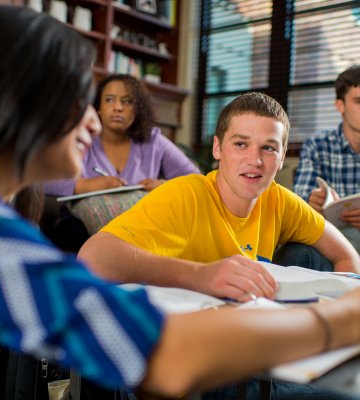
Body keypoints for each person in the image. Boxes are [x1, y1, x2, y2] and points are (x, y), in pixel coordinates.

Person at [0, 6, 360, 400]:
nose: (96, 121)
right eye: (78, 100)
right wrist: (335, 322)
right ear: (15, 102)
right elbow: (161, 349)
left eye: (269, 148)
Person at [78, 92, 360, 399]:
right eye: (240, 144)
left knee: (308, 255)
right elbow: (91, 258)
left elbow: (346, 256)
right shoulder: (185, 195)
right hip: (187, 361)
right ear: (218, 148)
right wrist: (203, 274)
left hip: (258, 349)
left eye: (268, 148)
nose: (255, 160)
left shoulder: (279, 200)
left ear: (280, 159)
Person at [44, 73, 200, 197]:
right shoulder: (82, 138)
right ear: (98, 107)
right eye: (109, 100)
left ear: (137, 109)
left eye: (127, 101)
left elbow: (197, 181)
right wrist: (85, 185)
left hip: (138, 227)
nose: (118, 107)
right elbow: (39, 179)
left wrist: (165, 186)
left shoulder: (153, 140)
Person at [293, 65, 360, 255]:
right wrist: (312, 202)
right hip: (330, 235)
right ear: (340, 105)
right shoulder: (318, 144)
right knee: (298, 250)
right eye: (359, 101)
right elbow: (300, 202)